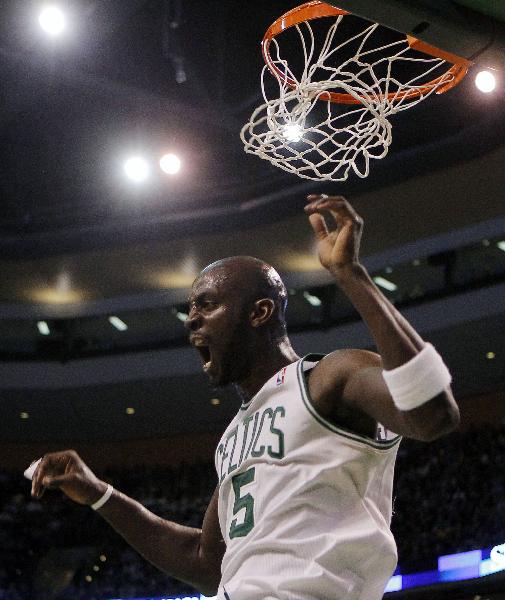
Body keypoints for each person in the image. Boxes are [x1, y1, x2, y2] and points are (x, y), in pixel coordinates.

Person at [30, 195, 460, 600]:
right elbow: (205, 561)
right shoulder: (232, 437)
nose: (192, 321)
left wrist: (351, 275)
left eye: (207, 305)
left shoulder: (328, 377)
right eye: (190, 310)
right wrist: (100, 494)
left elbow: (431, 416)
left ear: (259, 312)